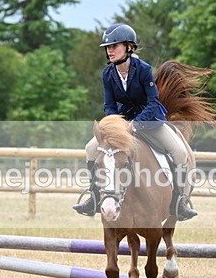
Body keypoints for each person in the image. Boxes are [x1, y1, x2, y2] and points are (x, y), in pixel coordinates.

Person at [73, 23, 197, 221]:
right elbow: (110, 106)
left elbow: (153, 102)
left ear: (129, 47)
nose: (110, 50)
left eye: (114, 46)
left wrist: (135, 125)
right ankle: (94, 196)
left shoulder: (143, 70)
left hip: (150, 121)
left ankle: (180, 201)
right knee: (90, 148)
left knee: (180, 152)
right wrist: (116, 126)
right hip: (123, 124)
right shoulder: (108, 74)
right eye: (108, 47)